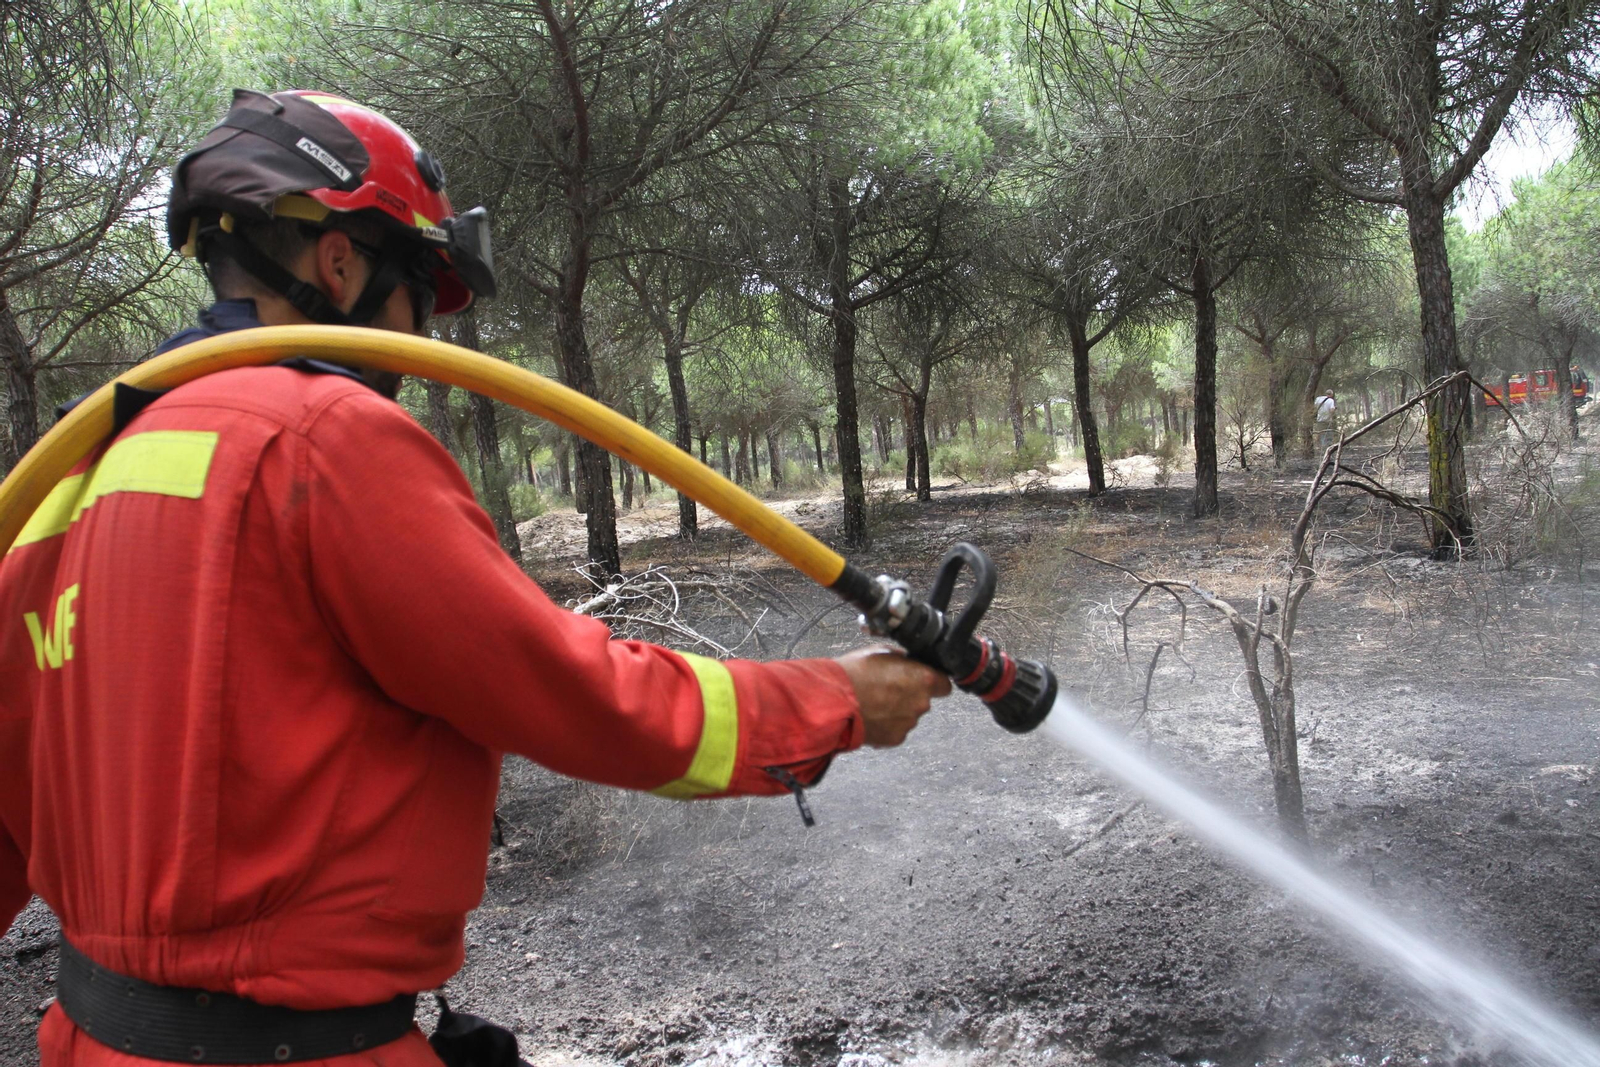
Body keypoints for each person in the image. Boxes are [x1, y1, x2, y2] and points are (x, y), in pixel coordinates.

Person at [0, 89, 950, 1067]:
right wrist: (834, 701)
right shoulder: (325, 440)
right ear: (340, 262)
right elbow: (569, 693)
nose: (418, 339)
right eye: (417, 287)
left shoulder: (66, 480)